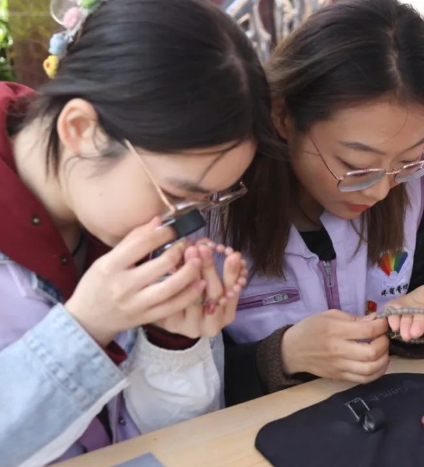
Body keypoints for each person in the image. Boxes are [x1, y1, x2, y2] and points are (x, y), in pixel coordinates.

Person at [0, 0, 277, 464]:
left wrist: (174, 344)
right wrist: (87, 328)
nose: (186, 223)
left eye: (207, 201)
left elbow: (168, 444)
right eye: (177, 194)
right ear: (81, 129)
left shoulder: (138, 219)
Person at [217, 0, 424, 405]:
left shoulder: (422, 185)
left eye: (407, 160)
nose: (381, 192)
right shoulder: (216, 205)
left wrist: (422, 318)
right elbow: (179, 385)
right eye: (356, 166)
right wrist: (282, 355)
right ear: (284, 117)